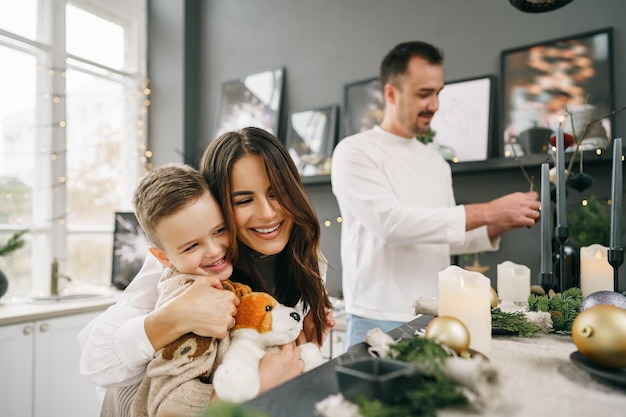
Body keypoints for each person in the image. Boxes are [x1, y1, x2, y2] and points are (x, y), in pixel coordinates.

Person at [78, 127, 334, 416]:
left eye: (277, 192)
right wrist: (174, 316)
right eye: (243, 200)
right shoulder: (188, 266)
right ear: (220, 204)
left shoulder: (305, 258)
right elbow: (97, 362)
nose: (267, 212)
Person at [331, 41, 541, 349]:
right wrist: (488, 212)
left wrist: (499, 223)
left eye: (438, 93)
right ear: (391, 93)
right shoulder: (354, 151)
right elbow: (390, 224)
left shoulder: (436, 163)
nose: (435, 105)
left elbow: (446, 234)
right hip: (375, 316)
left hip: (434, 315)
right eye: (423, 93)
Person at [129, 162, 251, 417]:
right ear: (163, 257)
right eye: (191, 246)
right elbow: (171, 406)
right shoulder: (191, 301)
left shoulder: (215, 281)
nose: (214, 250)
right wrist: (260, 384)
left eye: (219, 230)